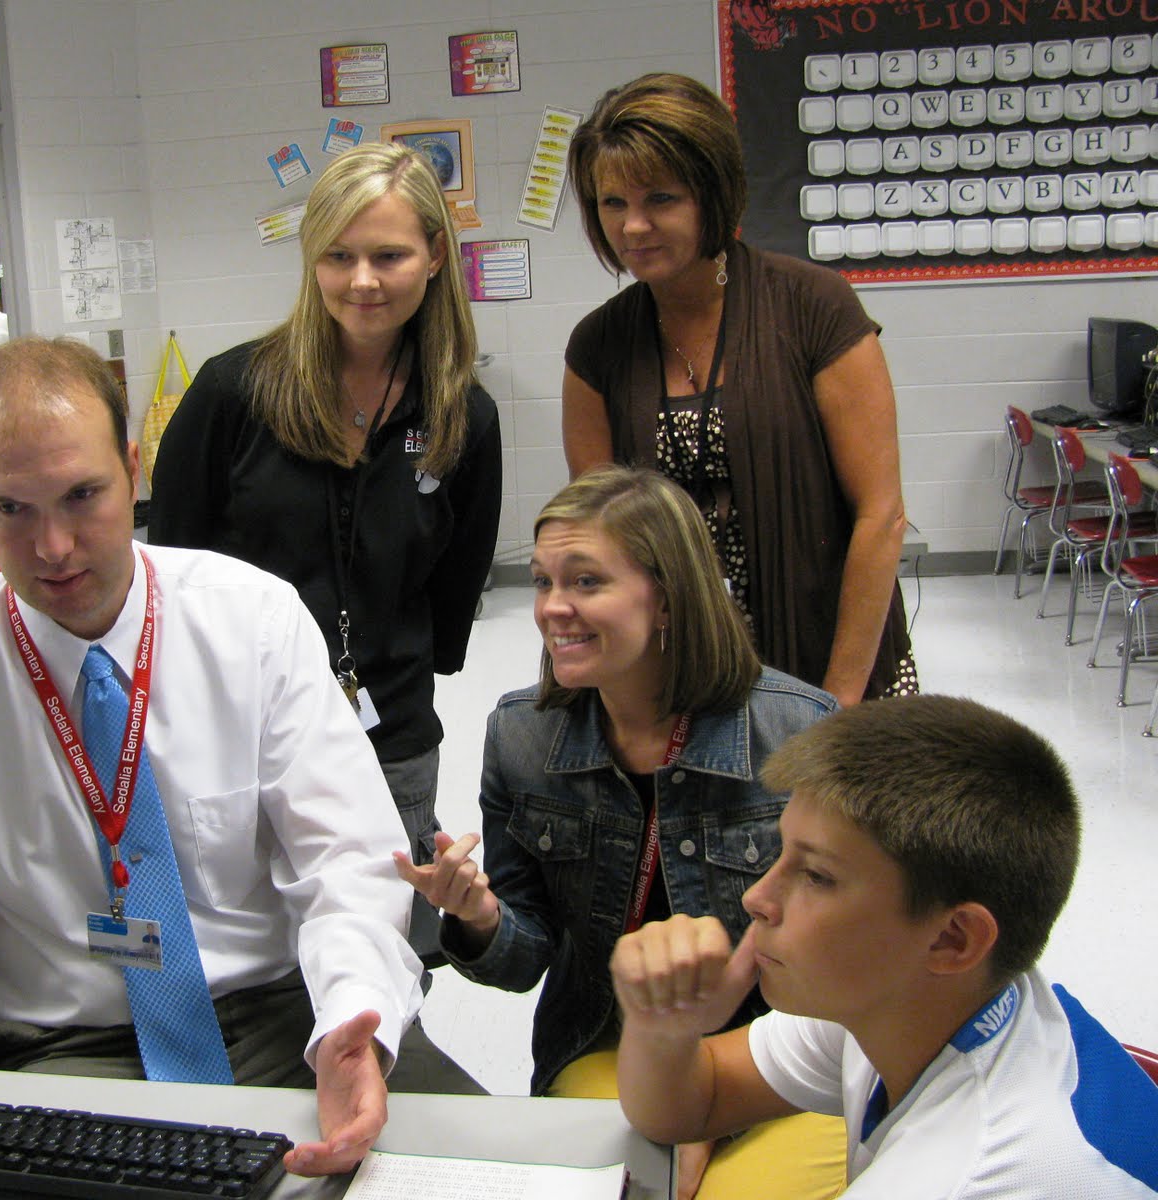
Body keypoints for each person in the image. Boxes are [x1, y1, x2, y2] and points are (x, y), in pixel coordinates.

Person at [0, 336, 472, 1179]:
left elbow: (342, 864)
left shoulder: (254, 624)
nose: (53, 546)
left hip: (285, 1018)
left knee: (489, 1172)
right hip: (73, 1053)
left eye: (82, 496)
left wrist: (350, 1022)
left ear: (131, 468)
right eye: (11, 509)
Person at [396, 466, 838, 1194]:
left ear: (667, 597)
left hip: (779, 1048)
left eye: (586, 581)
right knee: (624, 1186)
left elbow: (845, 956)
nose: (552, 608)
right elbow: (525, 960)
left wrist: (709, 1103)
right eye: (542, 582)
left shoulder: (797, 733)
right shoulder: (523, 736)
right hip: (610, 1040)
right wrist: (480, 917)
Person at [148, 141, 501, 958]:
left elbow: (456, 589)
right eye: (338, 256)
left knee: (386, 951)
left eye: (388, 255)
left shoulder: (461, 417)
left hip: (391, 734)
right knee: (253, 954)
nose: (362, 280)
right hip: (242, 734)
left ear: (435, 255)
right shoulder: (233, 393)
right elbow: (171, 573)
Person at [611, 695, 1158, 1199]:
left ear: (953, 938)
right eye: (782, 853)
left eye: (817, 875)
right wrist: (665, 1025)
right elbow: (695, 1102)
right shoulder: (910, 999)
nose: (756, 898)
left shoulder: (973, 1175)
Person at [562, 73, 913, 706]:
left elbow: (880, 515)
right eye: (612, 203)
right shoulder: (598, 347)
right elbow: (601, 537)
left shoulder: (813, 306)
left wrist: (834, 707)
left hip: (831, 657)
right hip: (683, 671)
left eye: (660, 198)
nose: (633, 226)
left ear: (713, 193)